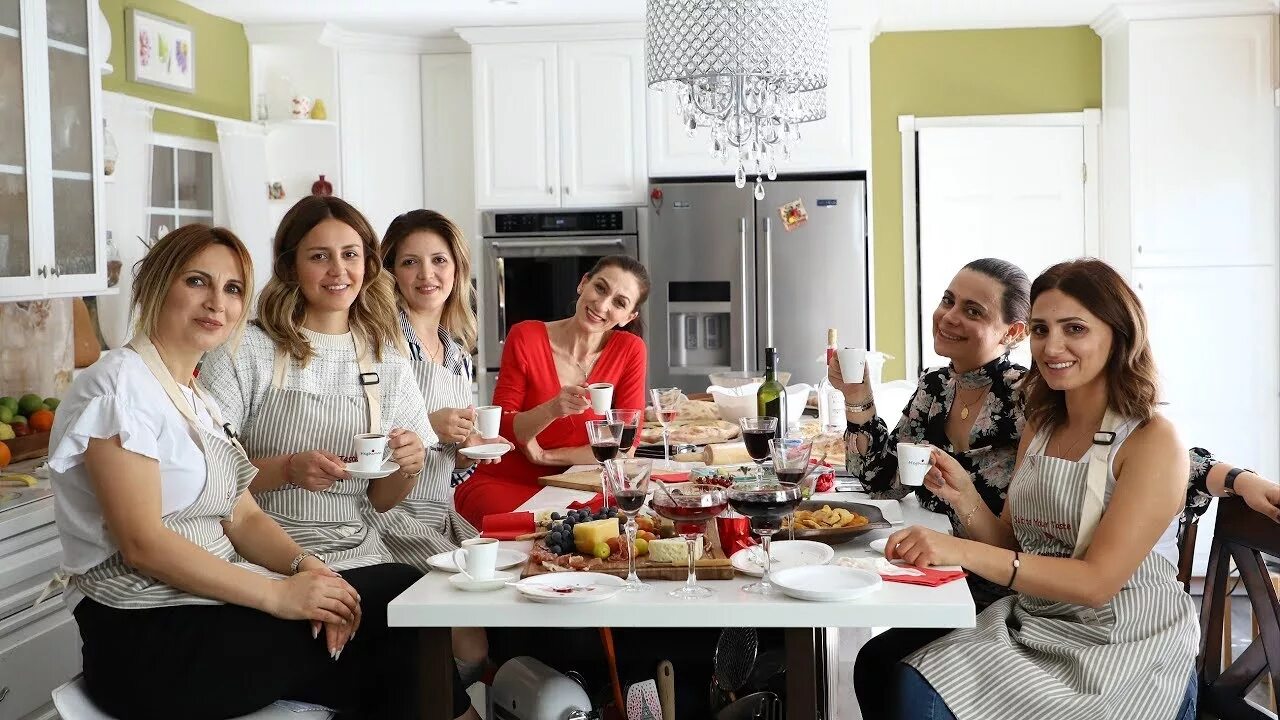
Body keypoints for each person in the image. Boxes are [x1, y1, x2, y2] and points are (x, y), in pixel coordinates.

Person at [845, 258, 1279, 717]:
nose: (1052, 347)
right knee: (894, 672)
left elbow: (1096, 583)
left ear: (1119, 334)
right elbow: (1011, 541)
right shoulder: (1043, 422)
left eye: (1074, 329)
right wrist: (965, 497)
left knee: (915, 692)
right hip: (1039, 620)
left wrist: (1237, 479)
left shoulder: (1152, 438)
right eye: (1041, 329)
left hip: (1123, 647)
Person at [48, 225, 431, 719]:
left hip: (202, 613)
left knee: (381, 652)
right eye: (197, 282)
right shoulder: (119, 387)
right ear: (157, 284)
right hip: (147, 639)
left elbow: (244, 518)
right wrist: (279, 595)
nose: (216, 303)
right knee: (396, 603)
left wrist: (310, 570)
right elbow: (143, 545)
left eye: (232, 290)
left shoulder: (195, 399)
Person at [200, 198, 477, 719]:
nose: (338, 270)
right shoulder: (248, 350)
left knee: (411, 642)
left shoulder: (384, 354)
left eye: (351, 254)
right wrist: (286, 469)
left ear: (370, 264)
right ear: (290, 265)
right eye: (319, 256)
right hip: (270, 556)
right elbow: (208, 479)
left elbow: (382, 498)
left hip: (361, 546)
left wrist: (409, 467)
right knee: (409, 645)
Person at [374, 209, 511, 684]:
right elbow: (366, 431)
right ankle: (449, 699)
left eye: (439, 260)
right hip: (390, 512)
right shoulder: (382, 339)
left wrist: (470, 443)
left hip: (438, 506)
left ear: (457, 268)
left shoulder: (455, 347)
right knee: (468, 626)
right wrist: (430, 426)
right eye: (410, 262)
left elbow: (451, 455)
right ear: (390, 270)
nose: (427, 274)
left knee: (510, 581)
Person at [454, 255, 651, 527]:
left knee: (613, 524)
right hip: (506, 483)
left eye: (619, 303)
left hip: (583, 487)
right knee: (534, 531)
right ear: (583, 284)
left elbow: (624, 447)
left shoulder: (630, 350)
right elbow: (504, 429)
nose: (602, 305)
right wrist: (551, 409)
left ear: (628, 317)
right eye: (600, 288)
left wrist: (546, 457)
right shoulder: (525, 336)